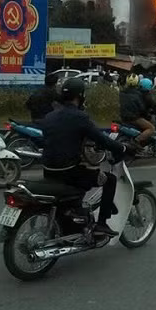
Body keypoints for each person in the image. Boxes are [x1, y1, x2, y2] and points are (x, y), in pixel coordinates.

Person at [41, 78, 124, 236]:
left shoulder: (49, 116)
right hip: (70, 173)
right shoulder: (80, 117)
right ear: (80, 96)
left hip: (49, 171)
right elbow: (102, 139)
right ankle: (101, 224)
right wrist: (123, 147)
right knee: (110, 180)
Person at [119, 75, 155, 147]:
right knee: (151, 128)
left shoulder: (121, 93)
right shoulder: (138, 94)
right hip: (134, 118)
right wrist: (148, 115)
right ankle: (136, 140)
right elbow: (142, 108)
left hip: (122, 117)